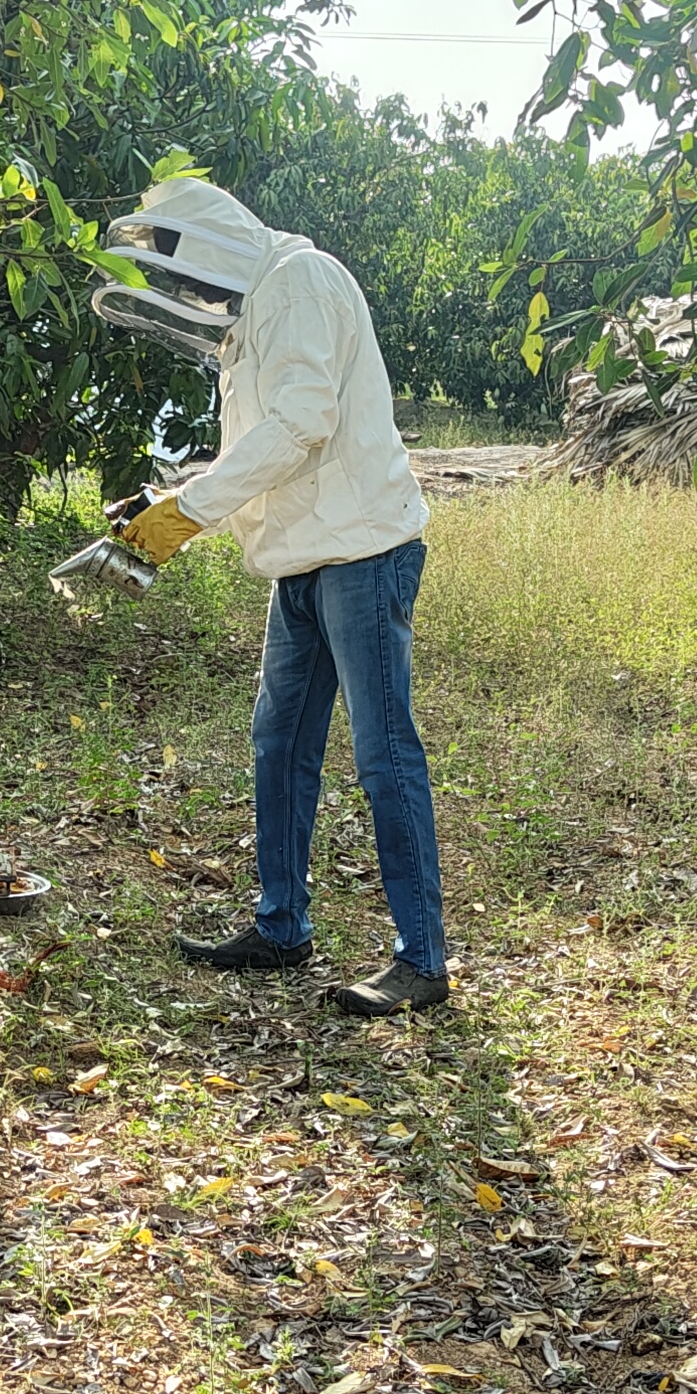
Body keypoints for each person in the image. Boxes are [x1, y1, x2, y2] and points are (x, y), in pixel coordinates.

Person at [107, 175, 449, 1015]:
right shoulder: (259, 305)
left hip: (364, 551)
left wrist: (188, 513)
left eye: (188, 279)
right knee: (279, 742)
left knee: (383, 753)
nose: (188, 298)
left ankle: (423, 960)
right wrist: (170, 496)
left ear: (214, 247)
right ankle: (282, 924)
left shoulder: (296, 280)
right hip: (304, 559)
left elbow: (303, 425)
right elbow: (263, 447)